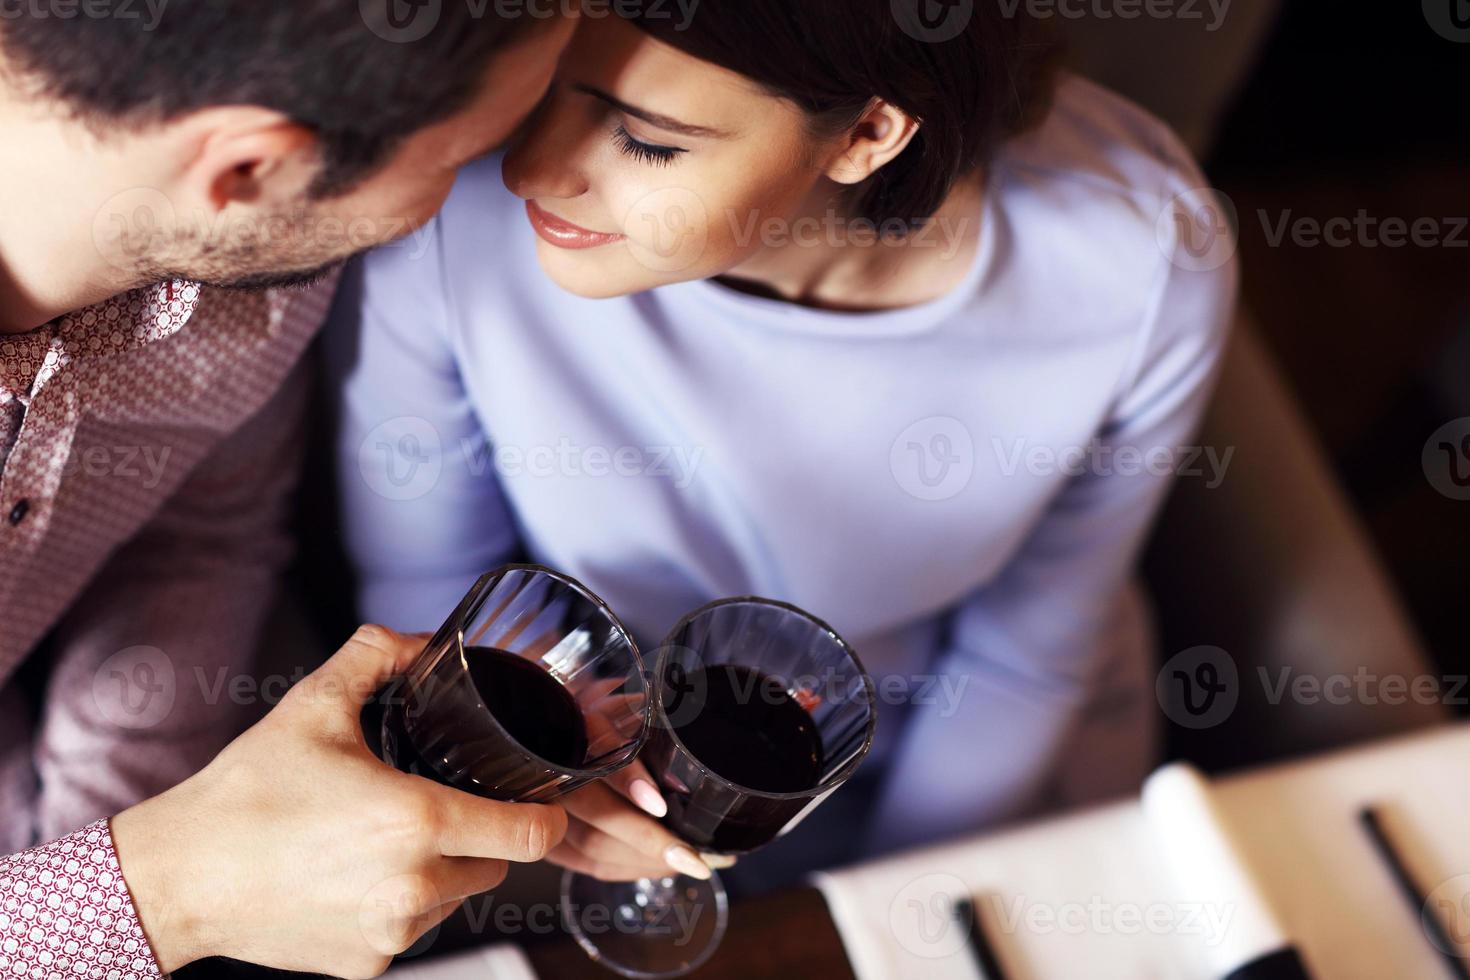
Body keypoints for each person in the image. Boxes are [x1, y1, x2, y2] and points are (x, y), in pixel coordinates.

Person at [328, 2, 1239, 887]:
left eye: (647, 139)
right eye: (539, 85)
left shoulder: (1139, 256)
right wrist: (548, 786)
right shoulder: (447, 201)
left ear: (867, 133)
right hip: (571, 742)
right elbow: (428, 583)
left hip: (948, 758)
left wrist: (894, 903)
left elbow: (1027, 653)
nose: (529, 169)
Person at [0, 3, 577, 977]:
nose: (509, 178)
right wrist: (167, 887)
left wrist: (105, 829)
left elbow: (199, 529)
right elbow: (172, 885)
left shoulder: (259, 270)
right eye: (464, 154)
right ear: (251, 169)